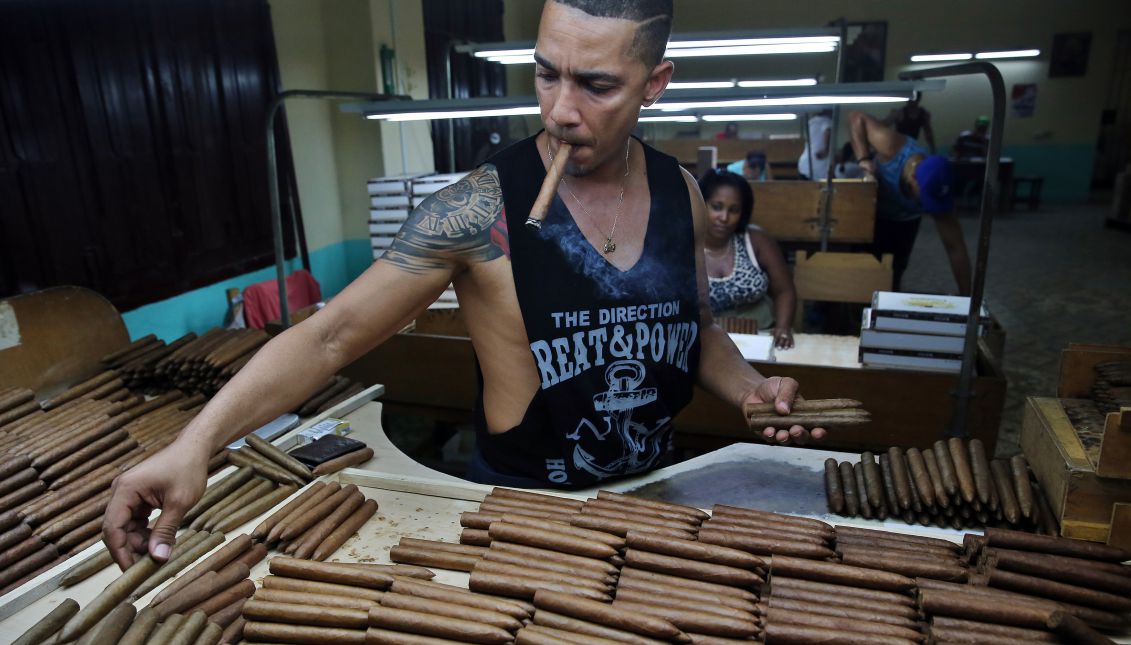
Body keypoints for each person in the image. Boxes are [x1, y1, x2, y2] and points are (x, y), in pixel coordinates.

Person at [104, 0, 826, 569]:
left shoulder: (681, 194)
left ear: (654, 84)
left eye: (596, 84)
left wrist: (748, 388)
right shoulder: (476, 209)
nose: (559, 109)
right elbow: (328, 335)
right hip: (522, 517)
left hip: (654, 505)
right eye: (546, 73)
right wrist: (196, 445)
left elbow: (695, 331)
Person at [849, 110, 972, 295]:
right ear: (914, 178)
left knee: (895, 272)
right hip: (873, 215)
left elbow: (956, 249)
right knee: (864, 270)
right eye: (924, 200)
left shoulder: (939, 194)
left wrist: (966, 298)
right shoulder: (892, 146)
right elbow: (855, 117)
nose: (928, 209)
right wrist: (864, 160)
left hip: (905, 222)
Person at [700, 170, 796, 349]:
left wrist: (783, 327)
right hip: (704, 342)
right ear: (701, 204)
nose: (724, 218)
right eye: (717, 207)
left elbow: (784, 290)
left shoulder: (756, 240)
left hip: (762, 336)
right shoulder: (686, 244)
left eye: (734, 210)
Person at [798, 109, 832, 180]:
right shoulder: (826, 121)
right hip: (817, 163)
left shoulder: (811, 122)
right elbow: (827, 132)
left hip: (804, 163)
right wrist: (826, 149)